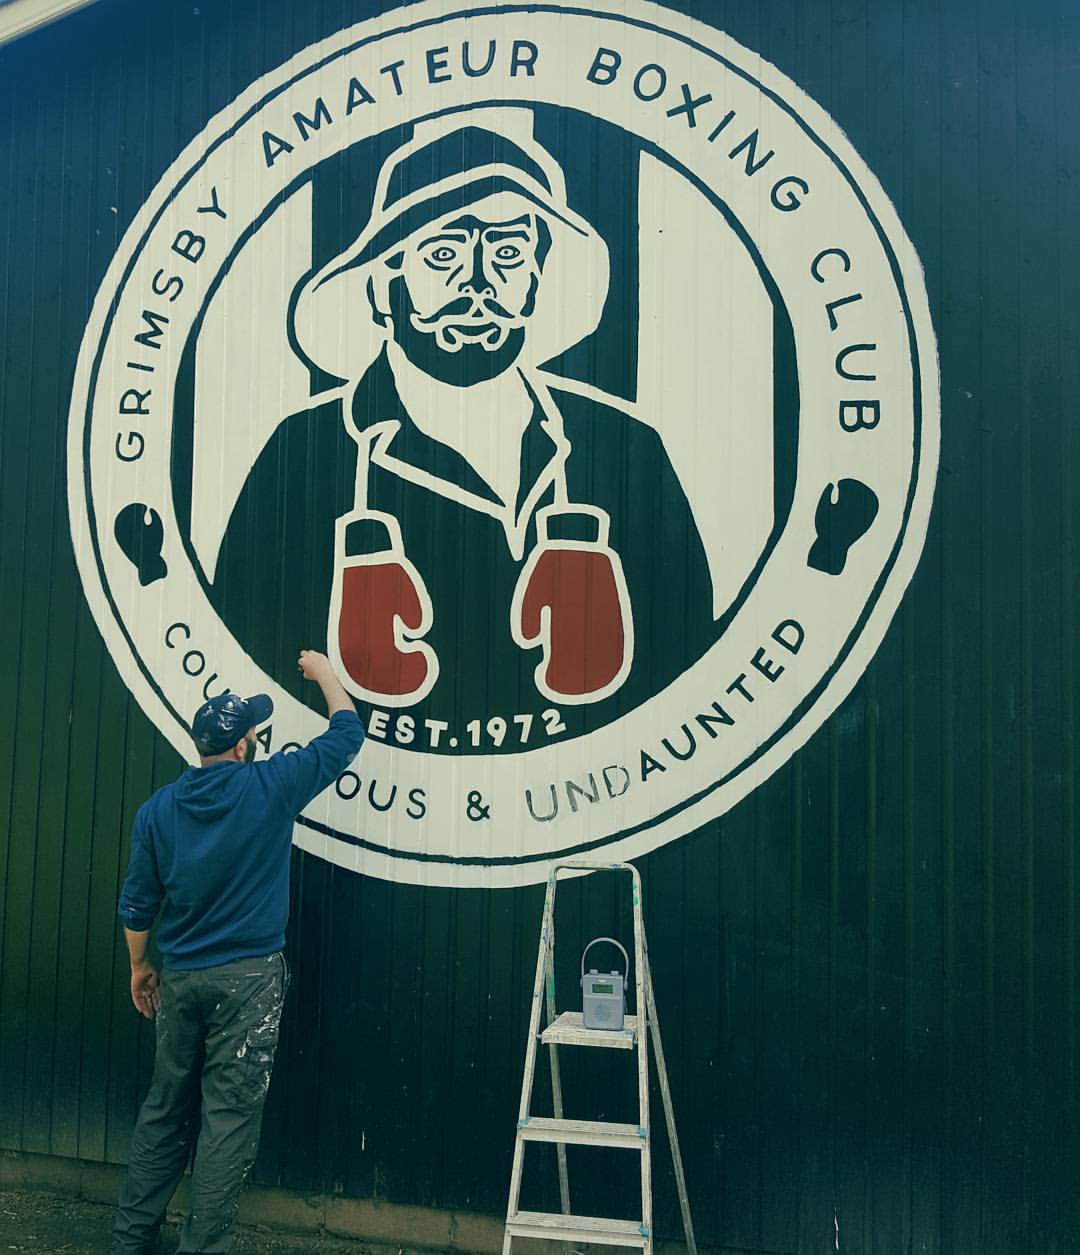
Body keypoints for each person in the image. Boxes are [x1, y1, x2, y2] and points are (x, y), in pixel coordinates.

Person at [212, 119, 717, 739]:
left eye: (508, 254)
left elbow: (689, 639)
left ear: (537, 283)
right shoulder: (302, 453)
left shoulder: (624, 441)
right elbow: (243, 638)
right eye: (443, 255)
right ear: (380, 288)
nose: (478, 283)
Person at [111, 650, 363, 1255]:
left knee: (165, 1108)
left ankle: (130, 1240)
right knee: (226, 1119)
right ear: (245, 743)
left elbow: (138, 907)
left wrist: (141, 969)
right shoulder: (270, 787)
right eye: (252, 730)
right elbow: (347, 733)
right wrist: (325, 672)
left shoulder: (158, 812)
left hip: (181, 978)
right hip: (249, 983)